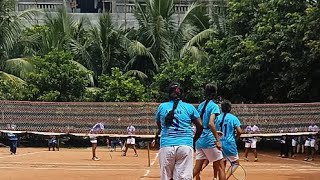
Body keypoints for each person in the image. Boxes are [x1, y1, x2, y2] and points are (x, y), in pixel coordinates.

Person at [151, 82, 203, 180]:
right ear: (182, 94)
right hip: (185, 146)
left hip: (166, 145)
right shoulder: (189, 107)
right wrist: (193, 140)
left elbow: (160, 126)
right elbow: (200, 126)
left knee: (166, 177)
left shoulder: (162, 107)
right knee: (183, 177)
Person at [193, 83, 226, 180]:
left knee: (196, 168)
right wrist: (217, 140)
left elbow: (198, 122)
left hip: (199, 140)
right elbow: (211, 123)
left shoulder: (200, 106)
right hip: (209, 140)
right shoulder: (214, 106)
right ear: (215, 93)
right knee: (221, 167)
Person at [215, 100, 242, 180]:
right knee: (236, 163)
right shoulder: (233, 118)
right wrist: (236, 138)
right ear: (230, 108)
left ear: (221, 108)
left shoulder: (217, 118)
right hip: (230, 143)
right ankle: (225, 178)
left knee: (221, 166)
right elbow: (239, 131)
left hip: (219, 143)